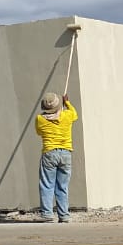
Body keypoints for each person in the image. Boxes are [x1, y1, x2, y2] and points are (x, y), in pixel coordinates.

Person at [34, 91, 78, 222]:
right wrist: (67, 102)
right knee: (62, 186)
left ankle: (47, 214)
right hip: (66, 153)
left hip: (49, 153)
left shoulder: (40, 119)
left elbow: (39, 132)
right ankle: (64, 215)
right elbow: (75, 114)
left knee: (47, 184)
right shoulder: (67, 115)